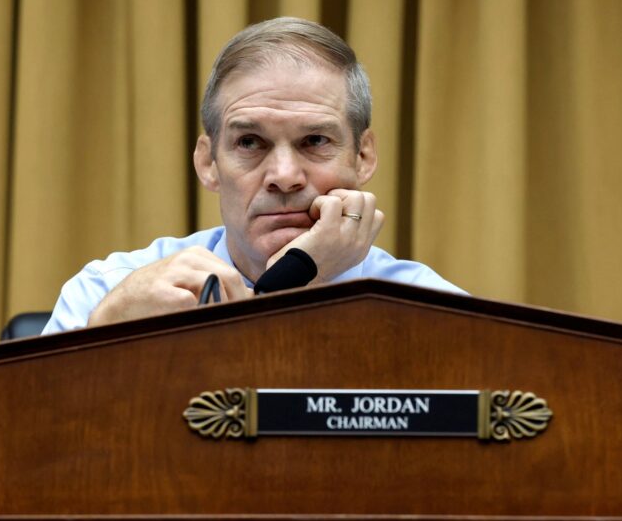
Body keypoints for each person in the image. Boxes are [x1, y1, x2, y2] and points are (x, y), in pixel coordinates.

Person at [42, 17, 463, 333]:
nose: (284, 176)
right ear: (208, 163)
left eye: (315, 140)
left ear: (363, 157)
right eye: (249, 142)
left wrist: (300, 279)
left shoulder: (435, 313)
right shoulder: (107, 293)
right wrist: (107, 330)